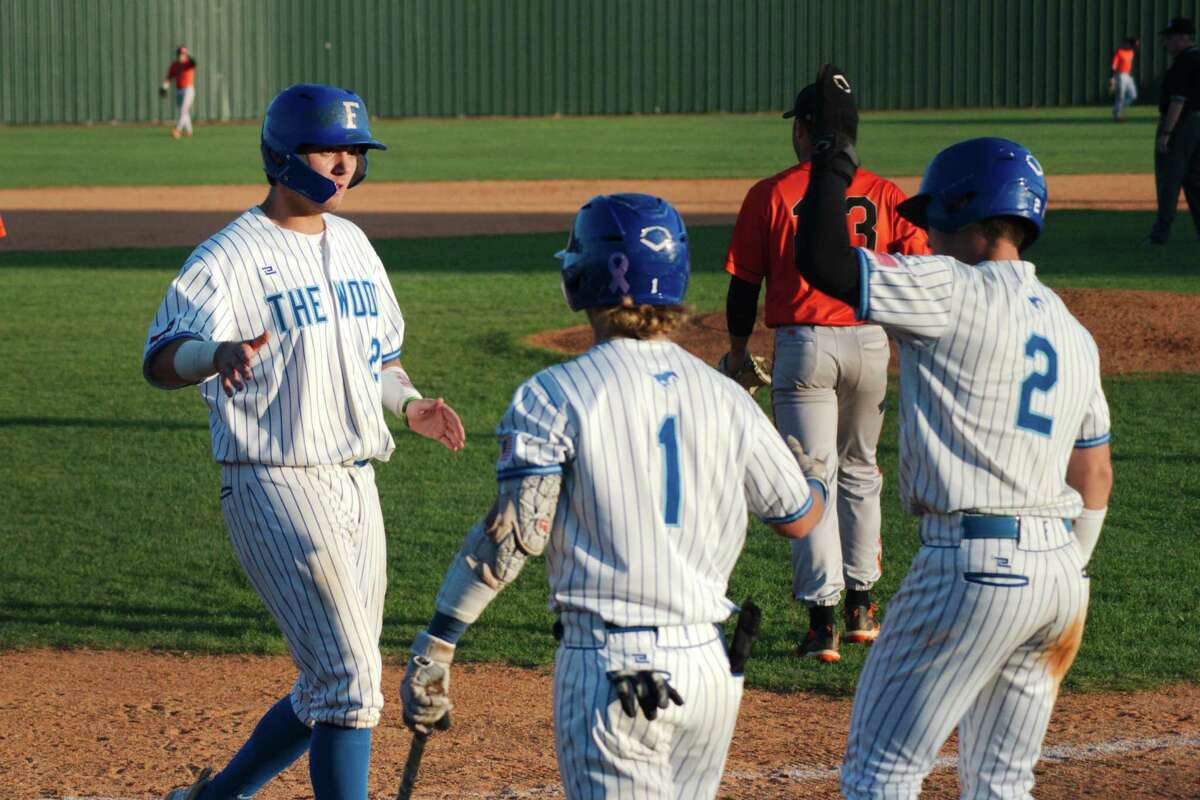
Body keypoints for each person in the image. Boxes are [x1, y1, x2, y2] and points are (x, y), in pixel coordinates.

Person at [398, 193, 830, 799]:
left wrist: (437, 645)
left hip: (612, 673)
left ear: (580, 277)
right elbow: (799, 518)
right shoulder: (725, 395)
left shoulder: (553, 394)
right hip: (709, 671)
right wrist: (813, 472)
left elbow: (516, 537)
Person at [793, 65, 1113, 798]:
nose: (926, 231)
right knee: (1001, 782)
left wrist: (832, 159)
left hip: (972, 569)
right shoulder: (1072, 330)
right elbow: (1094, 474)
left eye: (935, 217)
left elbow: (823, 262)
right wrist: (1068, 568)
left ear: (970, 214)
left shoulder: (950, 288)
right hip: (1061, 578)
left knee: (881, 772)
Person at [150, 84, 466, 800]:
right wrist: (215, 354)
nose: (346, 164)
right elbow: (161, 355)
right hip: (274, 479)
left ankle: (211, 799)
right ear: (284, 155)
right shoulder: (229, 255)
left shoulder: (353, 243)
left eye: (355, 151)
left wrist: (408, 403)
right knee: (352, 682)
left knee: (331, 679)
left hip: (356, 481)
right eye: (331, 149)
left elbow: (380, 359)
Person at [719, 82, 929, 664]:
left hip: (804, 346)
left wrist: (738, 355)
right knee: (861, 470)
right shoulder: (885, 195)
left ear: (807, 129)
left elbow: (744, 286)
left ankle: (823, 624)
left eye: (798, 123)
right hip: (869, 342)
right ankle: (864, 606)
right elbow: (921, 271)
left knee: (812, 477)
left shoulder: (773, 193)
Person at [1147, 18, 1200, 244]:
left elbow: (1178, 100)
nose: (1166, 43)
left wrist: (1167, 133)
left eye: (1169, 38)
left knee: (1170, 179)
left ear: (1182, 37)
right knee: (1196, 181)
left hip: (1183, 125)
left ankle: (1160, 235)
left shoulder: (1184, 62)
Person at [162, 45, 197, 139]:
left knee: (183, 110)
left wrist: (190, 58)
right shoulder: (174, 65)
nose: (182, 56)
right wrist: (164, 88)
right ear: (178, 55)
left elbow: (194, 63)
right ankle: (189, 131)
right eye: (181, 54)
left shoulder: (188, 63)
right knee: (184, 112)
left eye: (184, 54)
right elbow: (169, 78)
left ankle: (178, 130)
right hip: (179, 90)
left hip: (188, 89)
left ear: (186, 55)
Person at [1110, 37, 1139, 122]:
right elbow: (1113, 66)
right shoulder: (1119, 52)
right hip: (1120, 75)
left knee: (1133, 96)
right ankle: (1117, 116)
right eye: (1132, 45)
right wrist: (1112, 78)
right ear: (1128, 44)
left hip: (1128, 75)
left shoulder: (1131, 52)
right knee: (1120, 96)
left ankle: (1116, 109)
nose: (1133, 47)